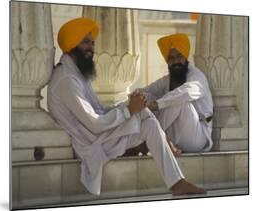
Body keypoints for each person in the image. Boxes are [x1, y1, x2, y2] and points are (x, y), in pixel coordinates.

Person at [47, 18, 205, 196]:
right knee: (145, 118)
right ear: (71, 43)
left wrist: (129, 106)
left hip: (98, 136)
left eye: (92, 43)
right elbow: (94, 123)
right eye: (85, 42)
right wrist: (128, 110)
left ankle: (176, 182)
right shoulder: (66, 79)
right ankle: (172, 173)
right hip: (90, 143)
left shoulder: (76, 74)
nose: (91, 47)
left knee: (146, 117)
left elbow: (99, 110)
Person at [135, 34, 214, 156]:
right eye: (171, 58)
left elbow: (186, 92)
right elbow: (144, 91)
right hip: (173, 134)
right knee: (143, 97)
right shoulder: (167, 80)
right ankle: (145, 138)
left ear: (185, 57)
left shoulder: (197, 77)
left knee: (180, 101)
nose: (175, 61)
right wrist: (135, 99)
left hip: (196, 137)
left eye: (179, 56)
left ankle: (147, 141)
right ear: (167, 61)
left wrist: (157, 104)